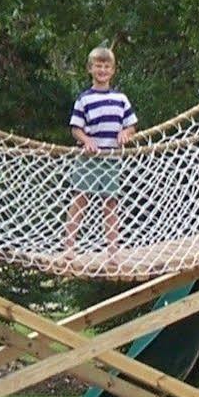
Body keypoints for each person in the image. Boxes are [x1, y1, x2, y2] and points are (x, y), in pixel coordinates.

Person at [64, 46, 137, 260]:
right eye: (98, 66)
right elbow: (76, 129)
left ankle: (113, 250)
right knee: (80, 198)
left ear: (113, 71)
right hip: (88, 159)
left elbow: (131, 125)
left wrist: (126, 132)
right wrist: (86, 141)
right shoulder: (84, 99)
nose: (102, 70)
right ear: (90, 69)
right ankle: (69, 246)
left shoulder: (121, 99)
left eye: (107, 66)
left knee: (111, 202)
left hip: (111, 158)